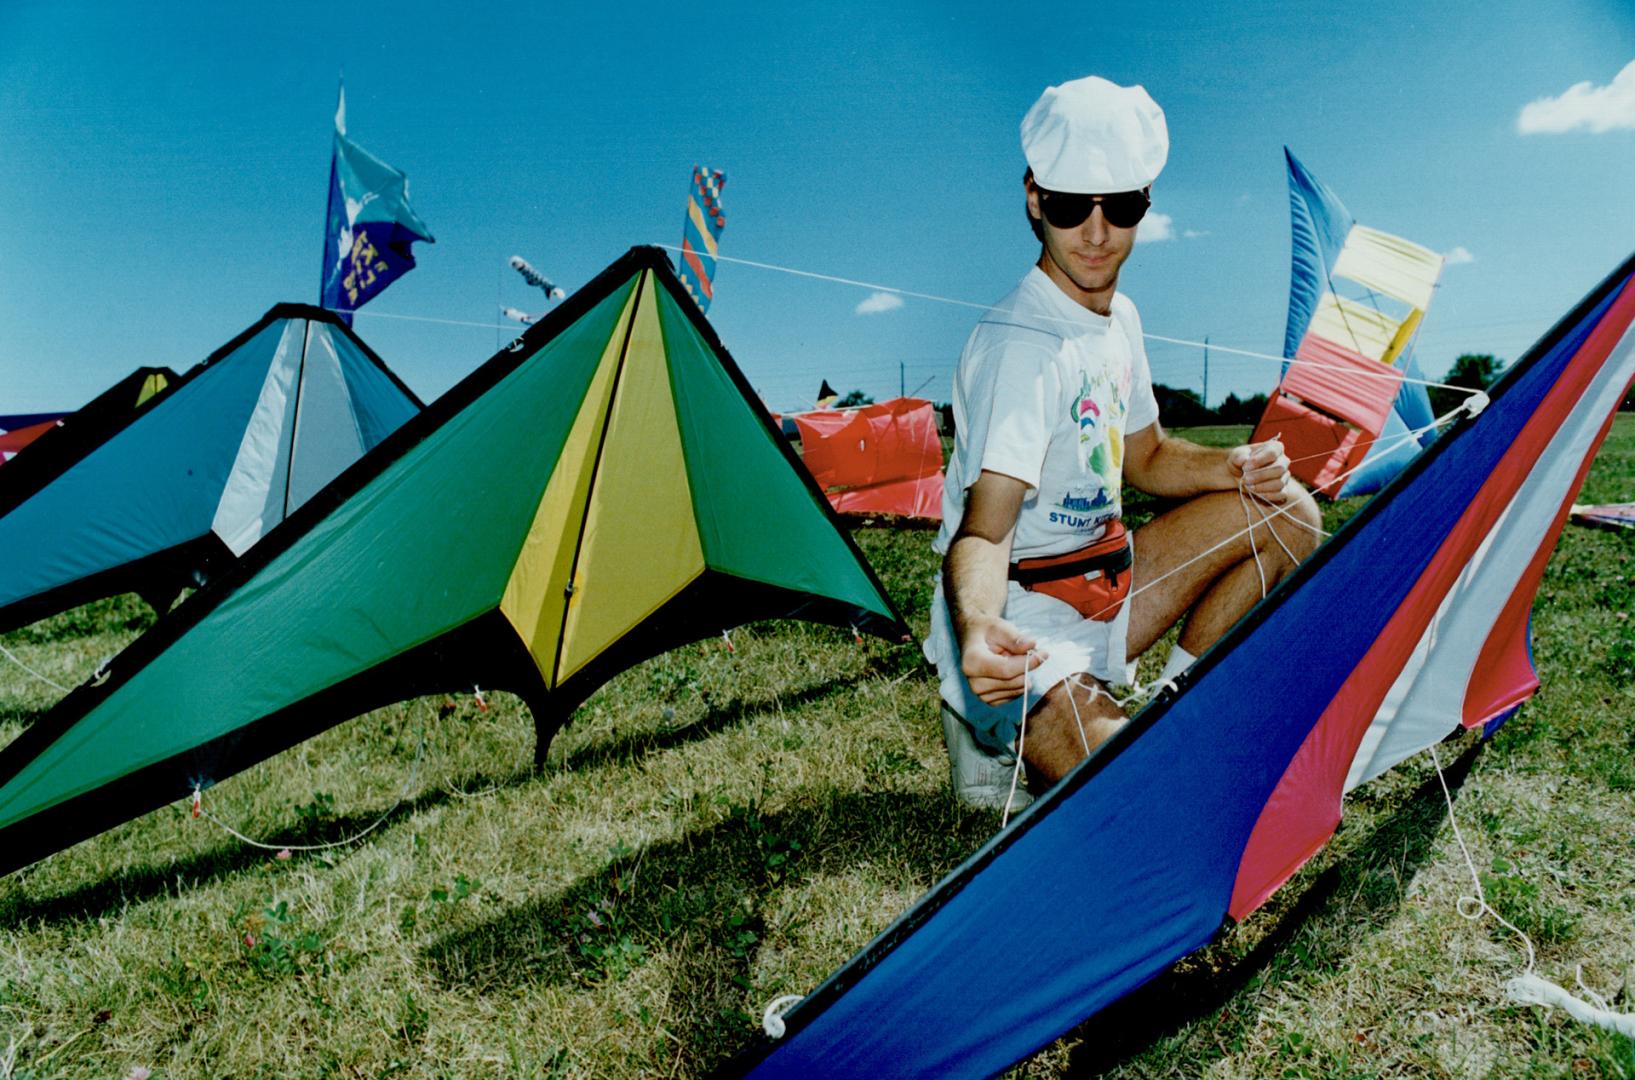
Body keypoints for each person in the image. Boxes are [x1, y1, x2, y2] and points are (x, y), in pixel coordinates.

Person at [924, 75, 1323, 812]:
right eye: (1072, 205)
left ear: (1145, 202)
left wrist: (1231, 466)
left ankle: (1170, 708)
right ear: (1035, 199)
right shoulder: (1021, 347)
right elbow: (983, 531)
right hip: (1021, 627)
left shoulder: (1121, 318)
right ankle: (987, 719)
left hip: (1105, 591)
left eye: (1122, 206)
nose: (1097, 233)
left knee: (1289, 513)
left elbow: (1146, 457)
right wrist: (979, 631)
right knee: (1150, 800)